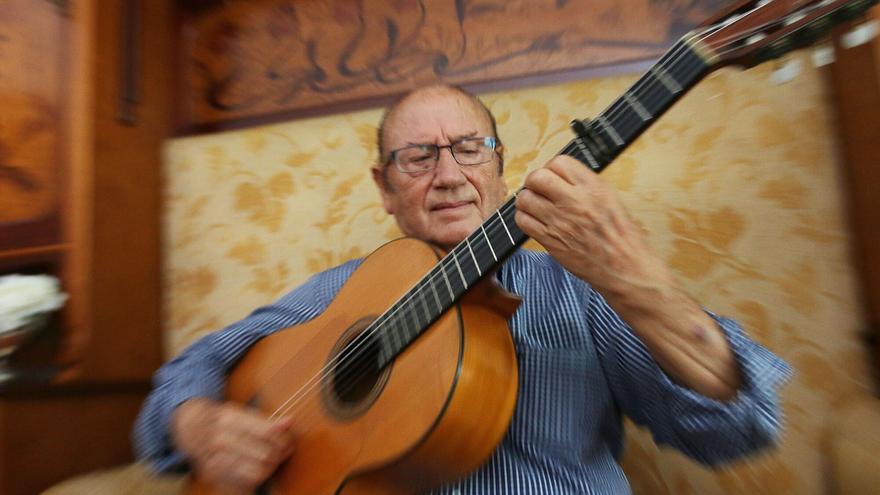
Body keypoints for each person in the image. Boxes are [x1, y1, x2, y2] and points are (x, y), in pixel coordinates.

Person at [134, 84, 791, 494]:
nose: (448, 175)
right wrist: (199, 424)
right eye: (418, 157)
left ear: (500, 167)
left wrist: (636, 279)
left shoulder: (581, 287)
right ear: (384, 188)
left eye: (470, 148)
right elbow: (191, 369)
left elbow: (736, 430)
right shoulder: (341, 292)